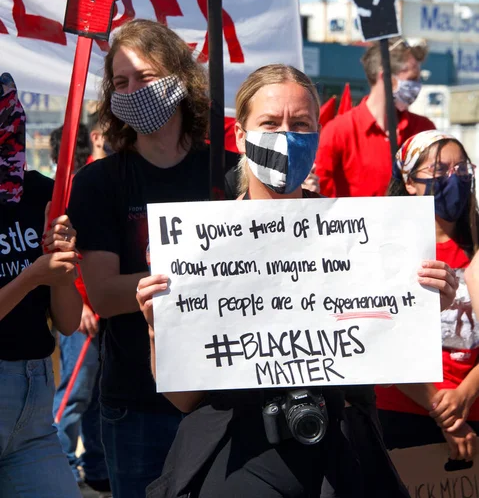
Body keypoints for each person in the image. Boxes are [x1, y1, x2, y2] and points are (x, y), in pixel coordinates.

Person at [135, 64, 456, 498]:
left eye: (300, 124)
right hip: (238, 453)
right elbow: (184, 399)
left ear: (317, 134)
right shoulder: (197, 247)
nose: (286, 135)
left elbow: (387, 351)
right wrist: (159, 328)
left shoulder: (356, 235)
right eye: (270, 123)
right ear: (240, 137)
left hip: (342, 450)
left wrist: (421, 308)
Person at [68, 19, 238, 498]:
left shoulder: (230, 173)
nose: (130, 91)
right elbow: (103, 293)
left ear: (180, 79)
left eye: (143, 77)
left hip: (225, 396)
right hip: (139, 403)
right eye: (120, 83)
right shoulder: (100, 182)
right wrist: (207, 278)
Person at [0, 72, 82, 497]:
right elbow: (34, 279)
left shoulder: (43, 195)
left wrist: (63, 270)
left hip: (34, 409)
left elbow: (67, 322)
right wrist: (32, 275)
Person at [376, 130, 479, 462]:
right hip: (403, 412)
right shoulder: (384, 248)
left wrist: (465, 395)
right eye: (439, 170)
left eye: (461, 169)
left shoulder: (475, 248)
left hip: (472, 412)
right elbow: (379, 339)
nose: (454, 179)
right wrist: (442, 411)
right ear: (409, 181)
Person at [50, 124, 110, 494]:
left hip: (104, 313)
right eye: (106, 132)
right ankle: (63, 468)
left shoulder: (111, 181)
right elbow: (64, 253)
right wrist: (82, 303)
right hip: (82, 315)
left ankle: (96, 467)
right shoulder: (77, 187)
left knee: (97, 397)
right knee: (73, 395)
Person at [315, 37, 435, 198]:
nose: (417, 85)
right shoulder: (338, 131)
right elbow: (320, 197)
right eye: (412, 78)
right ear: (386, 78)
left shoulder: (423, 130)